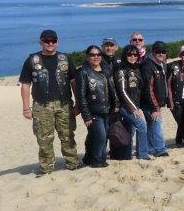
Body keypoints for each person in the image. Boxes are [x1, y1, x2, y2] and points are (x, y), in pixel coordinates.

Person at [19, 29, 79, 174]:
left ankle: (72, 164)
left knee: (68, 136)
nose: (50, 43)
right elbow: (25, 85)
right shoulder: (32, 60)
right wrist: (26, 108)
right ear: (41, 42)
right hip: (42, 106)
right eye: (46, 41)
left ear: (57, 42)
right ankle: (47, 168)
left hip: (64, 105)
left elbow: (74, 81)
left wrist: (78, 103)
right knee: (44, 139)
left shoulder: (65, 59)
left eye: (53, 40)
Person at [77, 45, 119, 168]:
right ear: (87, 57)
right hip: (93, 111)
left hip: (106, 109)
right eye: (92, 55)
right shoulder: (84, 72)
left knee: (102, 136)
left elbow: (112, 88)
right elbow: (81, 96)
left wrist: (116, 103)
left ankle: (95, 158)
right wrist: (86, 116)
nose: (96, 57)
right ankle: (96, 160)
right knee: (100, 136)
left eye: (98, 54)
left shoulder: (106, 69)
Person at [114, 44, 149, 160]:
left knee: (129, 129)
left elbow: (139, 89)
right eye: (129, 54)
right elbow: (122, 91)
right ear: (125, 56)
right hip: (125, 106)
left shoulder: (137, 69)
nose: (133, 57)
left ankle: (127, 155)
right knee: (142, 126)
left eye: (135, 55)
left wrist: (139, 106)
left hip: (135, 105)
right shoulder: (121, 71)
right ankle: (143, 154)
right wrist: (133, 108)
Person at [140, 41, 171, 157]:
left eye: (163, 52)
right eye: (158, 51)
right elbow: (148, 88)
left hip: (156, 102)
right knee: (156, 123)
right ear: (153, 52)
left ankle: (150, 148)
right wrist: (155, 107)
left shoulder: (162, 63)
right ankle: (160, 149)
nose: (161, 54)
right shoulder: (148, 65)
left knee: (152, 124)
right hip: (150, 103)